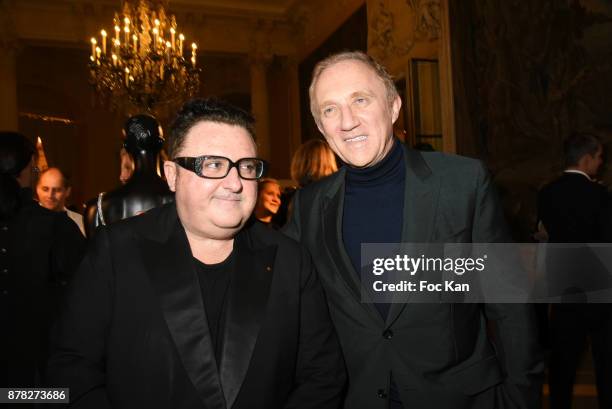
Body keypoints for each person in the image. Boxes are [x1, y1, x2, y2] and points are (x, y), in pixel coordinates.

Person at [47, 98, 346, 409]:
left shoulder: (291, 261)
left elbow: (322, 376)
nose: (235, 183)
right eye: (213, 165)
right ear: (172, 175)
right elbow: (71, 369)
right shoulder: (116, 251)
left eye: (246, 167)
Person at [283, 51, 543, 409]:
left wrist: (520, 396)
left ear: (393, 107)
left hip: (460, 399)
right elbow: (287, 306)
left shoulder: (462, 182)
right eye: (330, 109)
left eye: (360, 100)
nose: (347, 121)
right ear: (321, 126)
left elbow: (508, 301)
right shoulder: (310, 206)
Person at [0, 132, 85, 392]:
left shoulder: (57, 225)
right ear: (28, 171)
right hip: (37, 369)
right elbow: (86, 292)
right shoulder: (55, 226)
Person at [537, 132, 612, 409]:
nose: (601, 162)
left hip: (564, 287)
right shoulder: (600, 195)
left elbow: (545, 233)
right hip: (600, 289)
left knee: (562, 363)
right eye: (599, 157)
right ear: (586, 158)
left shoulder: (547, 193)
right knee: (605, 362)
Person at [84, 114, 174, 237]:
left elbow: (95, 255)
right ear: (161, 143)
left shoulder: (97, 208)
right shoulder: (184, 201)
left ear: (126, 146)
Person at [36, 167, 85, 235]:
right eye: (45, 189)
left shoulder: (79, 222)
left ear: (67, 191)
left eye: (56, 190)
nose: (50, 195)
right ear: (37, 189)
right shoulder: (26, 220)